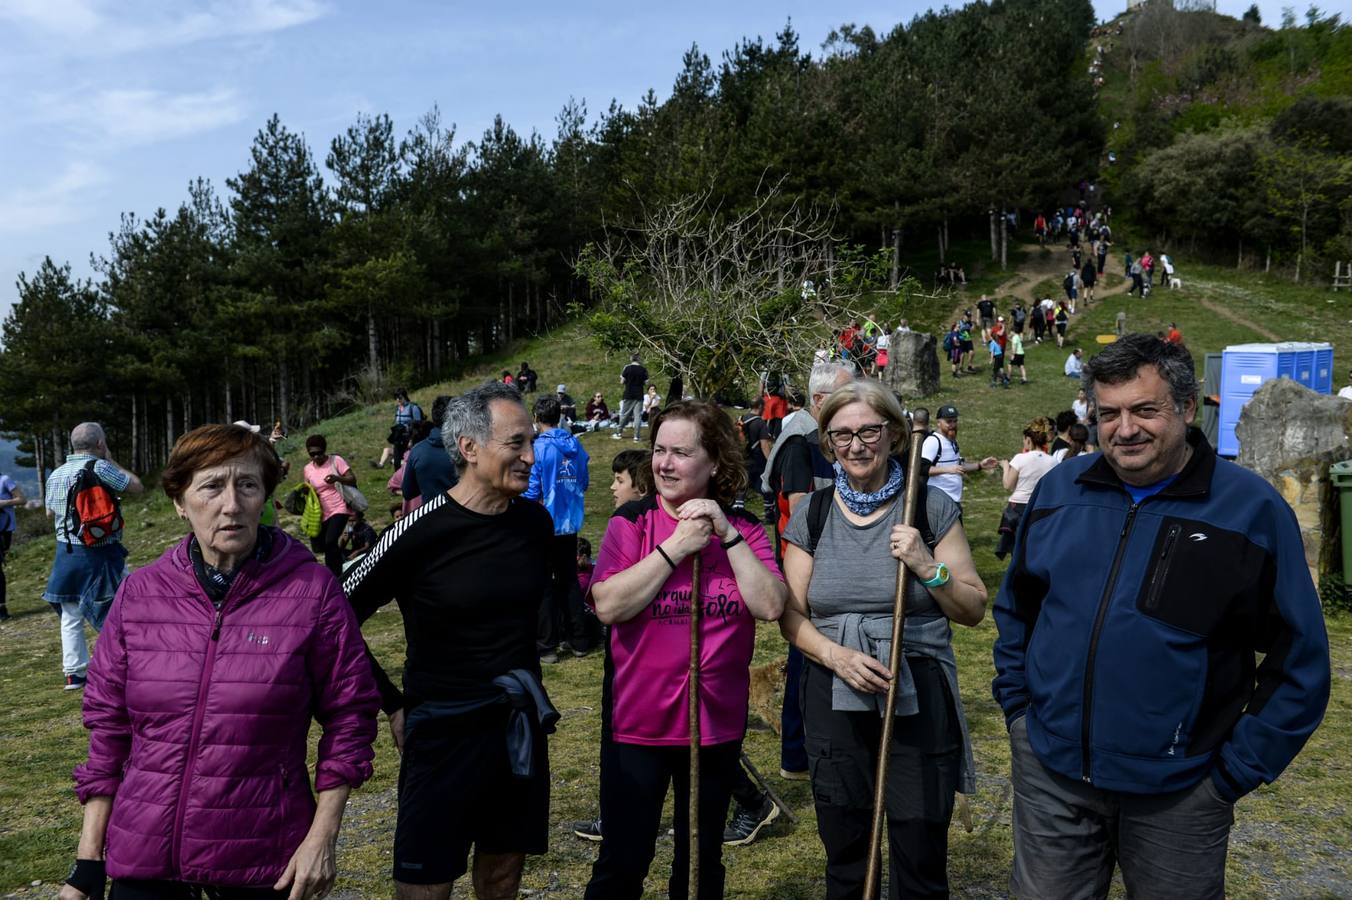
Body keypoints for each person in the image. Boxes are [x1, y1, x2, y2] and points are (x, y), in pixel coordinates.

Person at [992, 334, 1331, 899]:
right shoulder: (1059, 490)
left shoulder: (1250, 509)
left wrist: (1233, 773)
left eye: (1145, 410)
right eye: (1109, 414)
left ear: (1186, 407)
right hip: (1051, 776)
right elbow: (1018, 610)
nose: (1125, 429)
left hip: (1180, 791)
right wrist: (1020, 713)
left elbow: (1300, 657)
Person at [61, 424, 378, 900]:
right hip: (146, 854)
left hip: (264, 855)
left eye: (247, 485)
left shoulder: (312, 592)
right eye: (211, 486)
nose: (231, 504)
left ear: (264, 496)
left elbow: (351, 717)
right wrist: (88, 864)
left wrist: (322, 835)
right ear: (179, 501)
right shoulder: (139, 595)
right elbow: (109, 730)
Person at [343, 382, 557, 900]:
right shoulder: (418, 530)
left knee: (504, 875)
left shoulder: (535, 522)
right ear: (469, 448)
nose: (531, 456)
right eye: (516, 444)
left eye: (531, 441)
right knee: (424, 887)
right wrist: (390, 703)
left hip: (515, 727)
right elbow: (333, 616)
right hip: (441, 731)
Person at [777, 380, 987, 898]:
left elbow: (974, 608)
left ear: (894, 434)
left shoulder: (929, 508)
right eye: (841, 435)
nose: (855, 445)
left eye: (868, 431)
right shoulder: (814, 513)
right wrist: (836, 656)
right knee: (846, 846)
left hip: (916, 685)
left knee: (919, 846)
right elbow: (790, 615)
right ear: (828, 442)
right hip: (833, 688)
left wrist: (926, 566)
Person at [583, 400, 787, 900]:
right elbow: (608, 604)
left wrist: (725, 534)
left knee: (699, 865)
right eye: (658, 451)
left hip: (714, 730)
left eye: (680, 452)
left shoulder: (748, 530)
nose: (664, 463)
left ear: (715, 460)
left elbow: (769, 604)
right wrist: (675, 547)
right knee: (623, 861)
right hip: (638, 726)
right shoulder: (631, 523)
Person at [763, 363, 855, 781]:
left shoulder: (840, 447)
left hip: (841, 569)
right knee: (805, 657)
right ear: (820, 401)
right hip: (809, 570)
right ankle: (796, 757)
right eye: (846, 393)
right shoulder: (802, 446)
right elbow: (801, 510)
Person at [43, 422, 144, 690]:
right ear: (100, 443)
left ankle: (74, 673)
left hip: (66, 551)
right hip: (101, 552)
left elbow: (49, 514)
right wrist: (111, 460)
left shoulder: (56, 474)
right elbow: (136, 486)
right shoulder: (100, 467)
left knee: (71, 612)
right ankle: (133, 657)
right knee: (125, 601)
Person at [525, 395, 592, 662]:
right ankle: (579, 640)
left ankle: (548, 645)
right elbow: (584, 482)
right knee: (569, 580)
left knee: (544, 583)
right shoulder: (575, 443)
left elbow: (532, 490)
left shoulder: (538, 449)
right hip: (570, 521)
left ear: (536, 418)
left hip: (544, 522)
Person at [995, 417, 1058, 560]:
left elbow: (1008, 485)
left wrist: (1005, 467)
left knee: (1017, 549)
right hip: (1039, 507)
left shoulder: (1020, 458)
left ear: (1029, 439)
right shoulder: (1053, 461)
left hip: (1018, 508)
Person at [920, 405, 997, 510]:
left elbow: (957, 467)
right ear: (938, 422)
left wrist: (979, 465)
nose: (952, 425)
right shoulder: (933, 441)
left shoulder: (951, 441)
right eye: (949, 421)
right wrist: (948, 470)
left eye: (955, 421)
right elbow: (922, 468)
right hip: (938, 500)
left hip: (953, 500)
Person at [302, 435, 357, 576]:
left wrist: (337, 478)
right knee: (325, 546)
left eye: (319, 453)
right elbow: (307, 487)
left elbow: (352, 478)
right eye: (312, 454)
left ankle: (336, 575)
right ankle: (337, 571)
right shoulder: (308, 469)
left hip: (340, 507)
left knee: (331, 541)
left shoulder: (336, 460)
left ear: (324, 450)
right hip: (321, 512)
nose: (316, 456)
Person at [402, 395, 459, 508]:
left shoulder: (417, 451)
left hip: (432, 518)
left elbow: (407, 492)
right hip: (465, 517)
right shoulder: (468, 450)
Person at [377, 389, 424, 470]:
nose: (397, 400)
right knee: (397, 461)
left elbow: (418, 426)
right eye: (396, 398)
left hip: (409, 437)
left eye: (400, 397)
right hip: (398, 437)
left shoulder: (413, 408)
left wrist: (412, 440)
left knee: (408, 459)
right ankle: (397, 476)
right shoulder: (398, 409)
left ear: (405, 397)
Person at [0, 468, 24, 621]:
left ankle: (1, 608)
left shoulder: (5, 480)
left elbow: (22, 499)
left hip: (3, 531)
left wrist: (3, 503)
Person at [616, 353, 649, 442]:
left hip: (629, 393)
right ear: (638, 359)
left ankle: (618, 433)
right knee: (638, 416)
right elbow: (646, 383)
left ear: (631, 358)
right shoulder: (643, 369)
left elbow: (622, 381)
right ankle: (636, 437)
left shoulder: (627, 368)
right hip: (639, 394)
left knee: (625, 414)